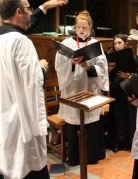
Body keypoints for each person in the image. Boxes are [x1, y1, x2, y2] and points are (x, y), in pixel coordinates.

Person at [0, 0, 49, 178]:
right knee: (26, 166)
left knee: (8, 167)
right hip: (21, 122)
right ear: (19, 12)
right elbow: (32, 84)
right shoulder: (21, 42)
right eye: (28, 8)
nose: (30, 12)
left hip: (1, 116)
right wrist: (43, 68)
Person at [55, 10, 109, 166]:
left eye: (84, 27)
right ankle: (74, 157)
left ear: (90, 27)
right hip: (72, 88)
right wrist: (71, 64)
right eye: (78, 26)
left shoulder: (95, 44)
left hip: (90, 88)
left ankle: (91, 156)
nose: (81, 30)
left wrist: (87, 66)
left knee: (91, 122)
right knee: (73, 122)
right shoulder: (67, 43)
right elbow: (59, 66)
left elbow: (103, 68)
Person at [107, 34, 136, 152]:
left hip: (128, 90)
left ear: (125, 44)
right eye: (115, 43)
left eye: (120, 43)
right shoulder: (111, 57)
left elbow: (136, 75)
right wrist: (109, 68)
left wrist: (128, 75)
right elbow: (107, 77)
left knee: (128, 115)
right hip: (116, 90)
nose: (117, 45)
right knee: (116, 115)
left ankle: (128, 141)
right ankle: (116, 142)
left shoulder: (131, 56)